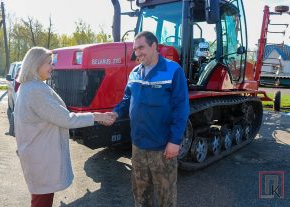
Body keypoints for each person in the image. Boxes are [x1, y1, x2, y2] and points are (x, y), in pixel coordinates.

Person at [14, 47, 114, 207]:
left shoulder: (27, 87)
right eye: (49, 63)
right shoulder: (36, 90)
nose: (52, 67)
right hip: (41, 156)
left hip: (36, 153)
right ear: (35, 64)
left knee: (40, 196)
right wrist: (96, 116)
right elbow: (66, 119)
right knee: (42, 200)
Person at [110, 31, 189, 207]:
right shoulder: (134, 73)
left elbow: (181, 109)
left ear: (154, 46)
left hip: (162, 147)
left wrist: (175, 141)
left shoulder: (173, 71)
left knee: (165, 195)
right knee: (140, 192)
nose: (137, 53)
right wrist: (115, 113)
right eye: (135, 49)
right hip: (138, 146)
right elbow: (127, 100)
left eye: (141, 47)